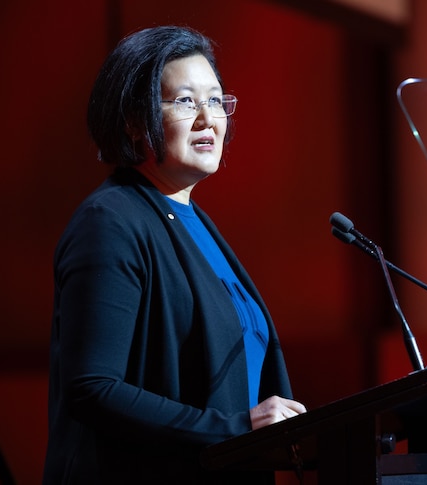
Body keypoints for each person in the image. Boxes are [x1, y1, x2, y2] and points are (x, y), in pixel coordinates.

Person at [43, 26, 306, 484]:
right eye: (185, 101)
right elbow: (92, 389)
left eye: (217, 100)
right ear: (132, 119)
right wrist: (236, 427)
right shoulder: (111, 222)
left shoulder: (196, 223)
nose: (208, 118)